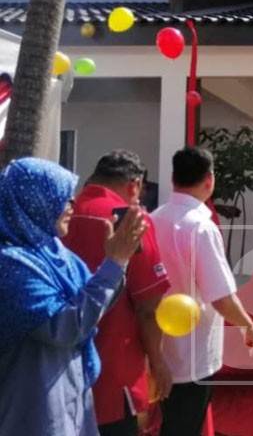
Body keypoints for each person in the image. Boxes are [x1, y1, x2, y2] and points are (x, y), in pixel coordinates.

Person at [0, 157, 146, 436]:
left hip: (71, 400)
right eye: (61, 197)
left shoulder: (57, 253)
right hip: (31, 411)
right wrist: (114, 263)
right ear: (33, 201)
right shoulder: (10, 263)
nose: (71, 205)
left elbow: (92, 307)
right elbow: (65, 327)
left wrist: (118, 263)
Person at [152, 147, 253, 436]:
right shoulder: (200, 227)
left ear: (173, 178)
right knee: (185, 425)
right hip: (192, 355)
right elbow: (221, 297)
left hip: (154, 347)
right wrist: (247, 325)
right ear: (209, 181)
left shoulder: (153, 219)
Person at [63, 150, 172, 436]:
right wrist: (158, 362)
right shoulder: (130, 222)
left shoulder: (60, 215)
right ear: (134, 185)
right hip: (114, 374)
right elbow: (148, 307)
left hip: (57, 375)